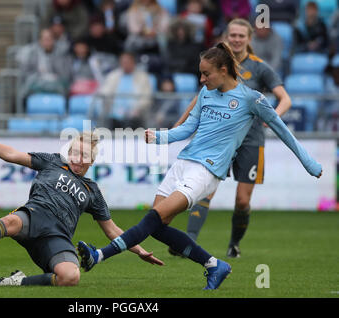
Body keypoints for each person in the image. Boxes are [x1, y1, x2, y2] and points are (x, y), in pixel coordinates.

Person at [77, 42, 322, 290]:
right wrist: (160, 136)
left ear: (224, 70)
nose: (202, 79)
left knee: (155, 217)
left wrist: (309, 163)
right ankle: (214, 265)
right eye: (200, 73)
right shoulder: (206, 94)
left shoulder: (252, 99)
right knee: (158, 228)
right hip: (183, 163)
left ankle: (99, 255)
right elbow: (187, 128)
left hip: (206, 171)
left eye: (207, 74)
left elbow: (283, 131)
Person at [0, 121, 164, 287]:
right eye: (74, 152)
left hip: (57, 237)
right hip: (34, 216)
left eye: (84, 155)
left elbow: (112, 230)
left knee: (70, 277)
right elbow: (12, 154)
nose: (77, 158)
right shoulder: (52, 162)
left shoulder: (92, 190)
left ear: (92, 161)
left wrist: (139, 251)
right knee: (12, 221)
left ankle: (19, 281)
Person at [172, 18, 292, 257]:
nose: (236, 40)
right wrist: (180, 124)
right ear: (226, 37)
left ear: (249, 39)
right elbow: (201, 96)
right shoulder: (218, 63)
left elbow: (285, 99)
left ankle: (234, 244)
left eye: (241, 36)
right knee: (205, 190)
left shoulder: (260, 68)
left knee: (242, 201)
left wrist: (272, 117)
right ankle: (188, 242)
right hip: (220, 138)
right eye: (232, 35)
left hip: (251, 140)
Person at [98, 51, 153, 129]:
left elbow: (146, 98)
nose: (125, 64)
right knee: (111, 121)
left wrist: (136, 110)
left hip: (135, 114)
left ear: (133, 62)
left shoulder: (143, 77)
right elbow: (104, 93)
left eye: (127, 62)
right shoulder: (113, 76)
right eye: (123, 62)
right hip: (114, 113)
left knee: (132, 122)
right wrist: (111, 109)